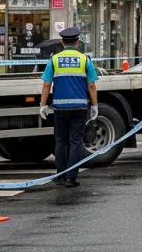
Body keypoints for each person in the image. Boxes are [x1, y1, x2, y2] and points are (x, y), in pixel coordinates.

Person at [39, 27, 99, 188]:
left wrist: (43, 105)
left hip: (60, 108)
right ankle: (71, 178)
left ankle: (60, 175)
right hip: (79, 107)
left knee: (60, 141)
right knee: (75, 142)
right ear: (77, 42)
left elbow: (46, 84)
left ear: (62, 42)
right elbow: (91, 85)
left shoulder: (54, 60)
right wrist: (94, 105)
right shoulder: (84, 60)